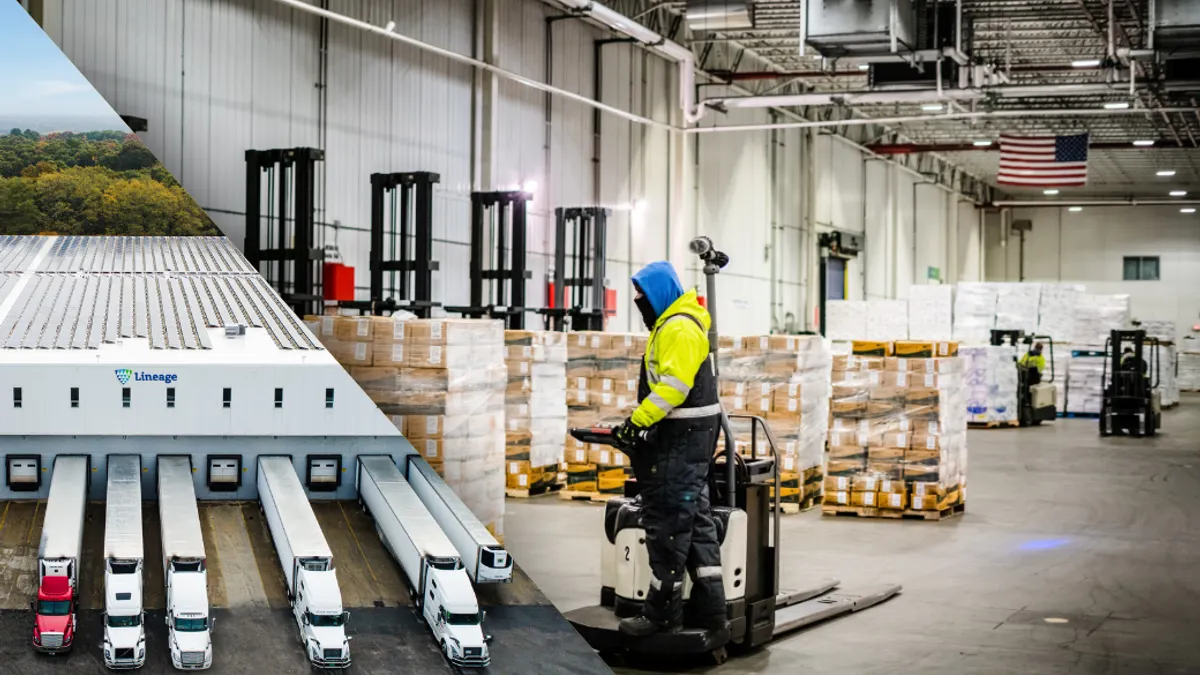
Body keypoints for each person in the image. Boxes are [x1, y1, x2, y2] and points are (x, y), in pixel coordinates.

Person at [612, 260, 727, 637]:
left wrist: (636, 423)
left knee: (667, 526)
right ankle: (711, 614)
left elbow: (673, 388)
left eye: (642, 297)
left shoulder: (678, 327)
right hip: (689, 437)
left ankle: (661, 618)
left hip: (679, 441)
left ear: (660, 293)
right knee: (695, 525)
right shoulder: (677, 321)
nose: (639, 303)